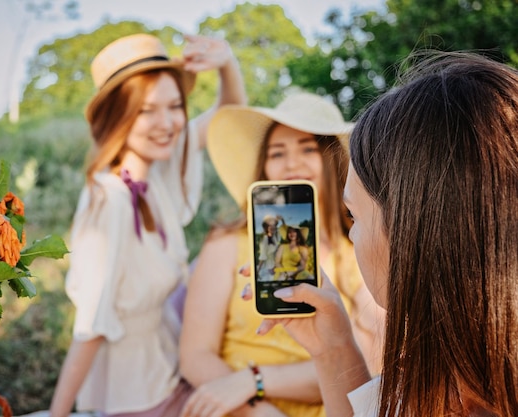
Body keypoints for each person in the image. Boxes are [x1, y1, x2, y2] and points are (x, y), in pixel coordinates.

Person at [260, 51, 518, 416]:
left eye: (354, 216)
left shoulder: (456, 399)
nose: (352, 236)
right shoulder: (456, 370)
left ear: (409, 229)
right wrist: (334, 347)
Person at [49, 32, 246, 417]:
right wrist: (58, 413)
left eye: (175, 106)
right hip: (139, 394)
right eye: (146, 110)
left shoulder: (156, 169)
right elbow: (91, 325)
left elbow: (229, 114)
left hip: (173, 363)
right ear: (117, 117)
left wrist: (226, 63)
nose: (168, 123)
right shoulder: (110, 200)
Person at [179, 92, 385, 417]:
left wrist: (255, 380)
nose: (292, 163)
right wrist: (257, 408)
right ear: (264, 166)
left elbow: (370, 363)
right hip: (242, 411)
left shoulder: (357, 250)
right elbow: (195, 356)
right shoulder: (227, 242)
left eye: (307, 148)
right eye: (278, 153)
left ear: (331, 158)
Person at [256, 215, 281, 281]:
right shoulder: (265, 239)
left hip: (276, 264)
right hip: (269, 267)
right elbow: (263, 256)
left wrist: (280, 220)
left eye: (274, 225)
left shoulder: (274, 237)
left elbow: (279, 230)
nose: (273, 227)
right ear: (266, 227)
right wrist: (257, 271)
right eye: (270, 226)